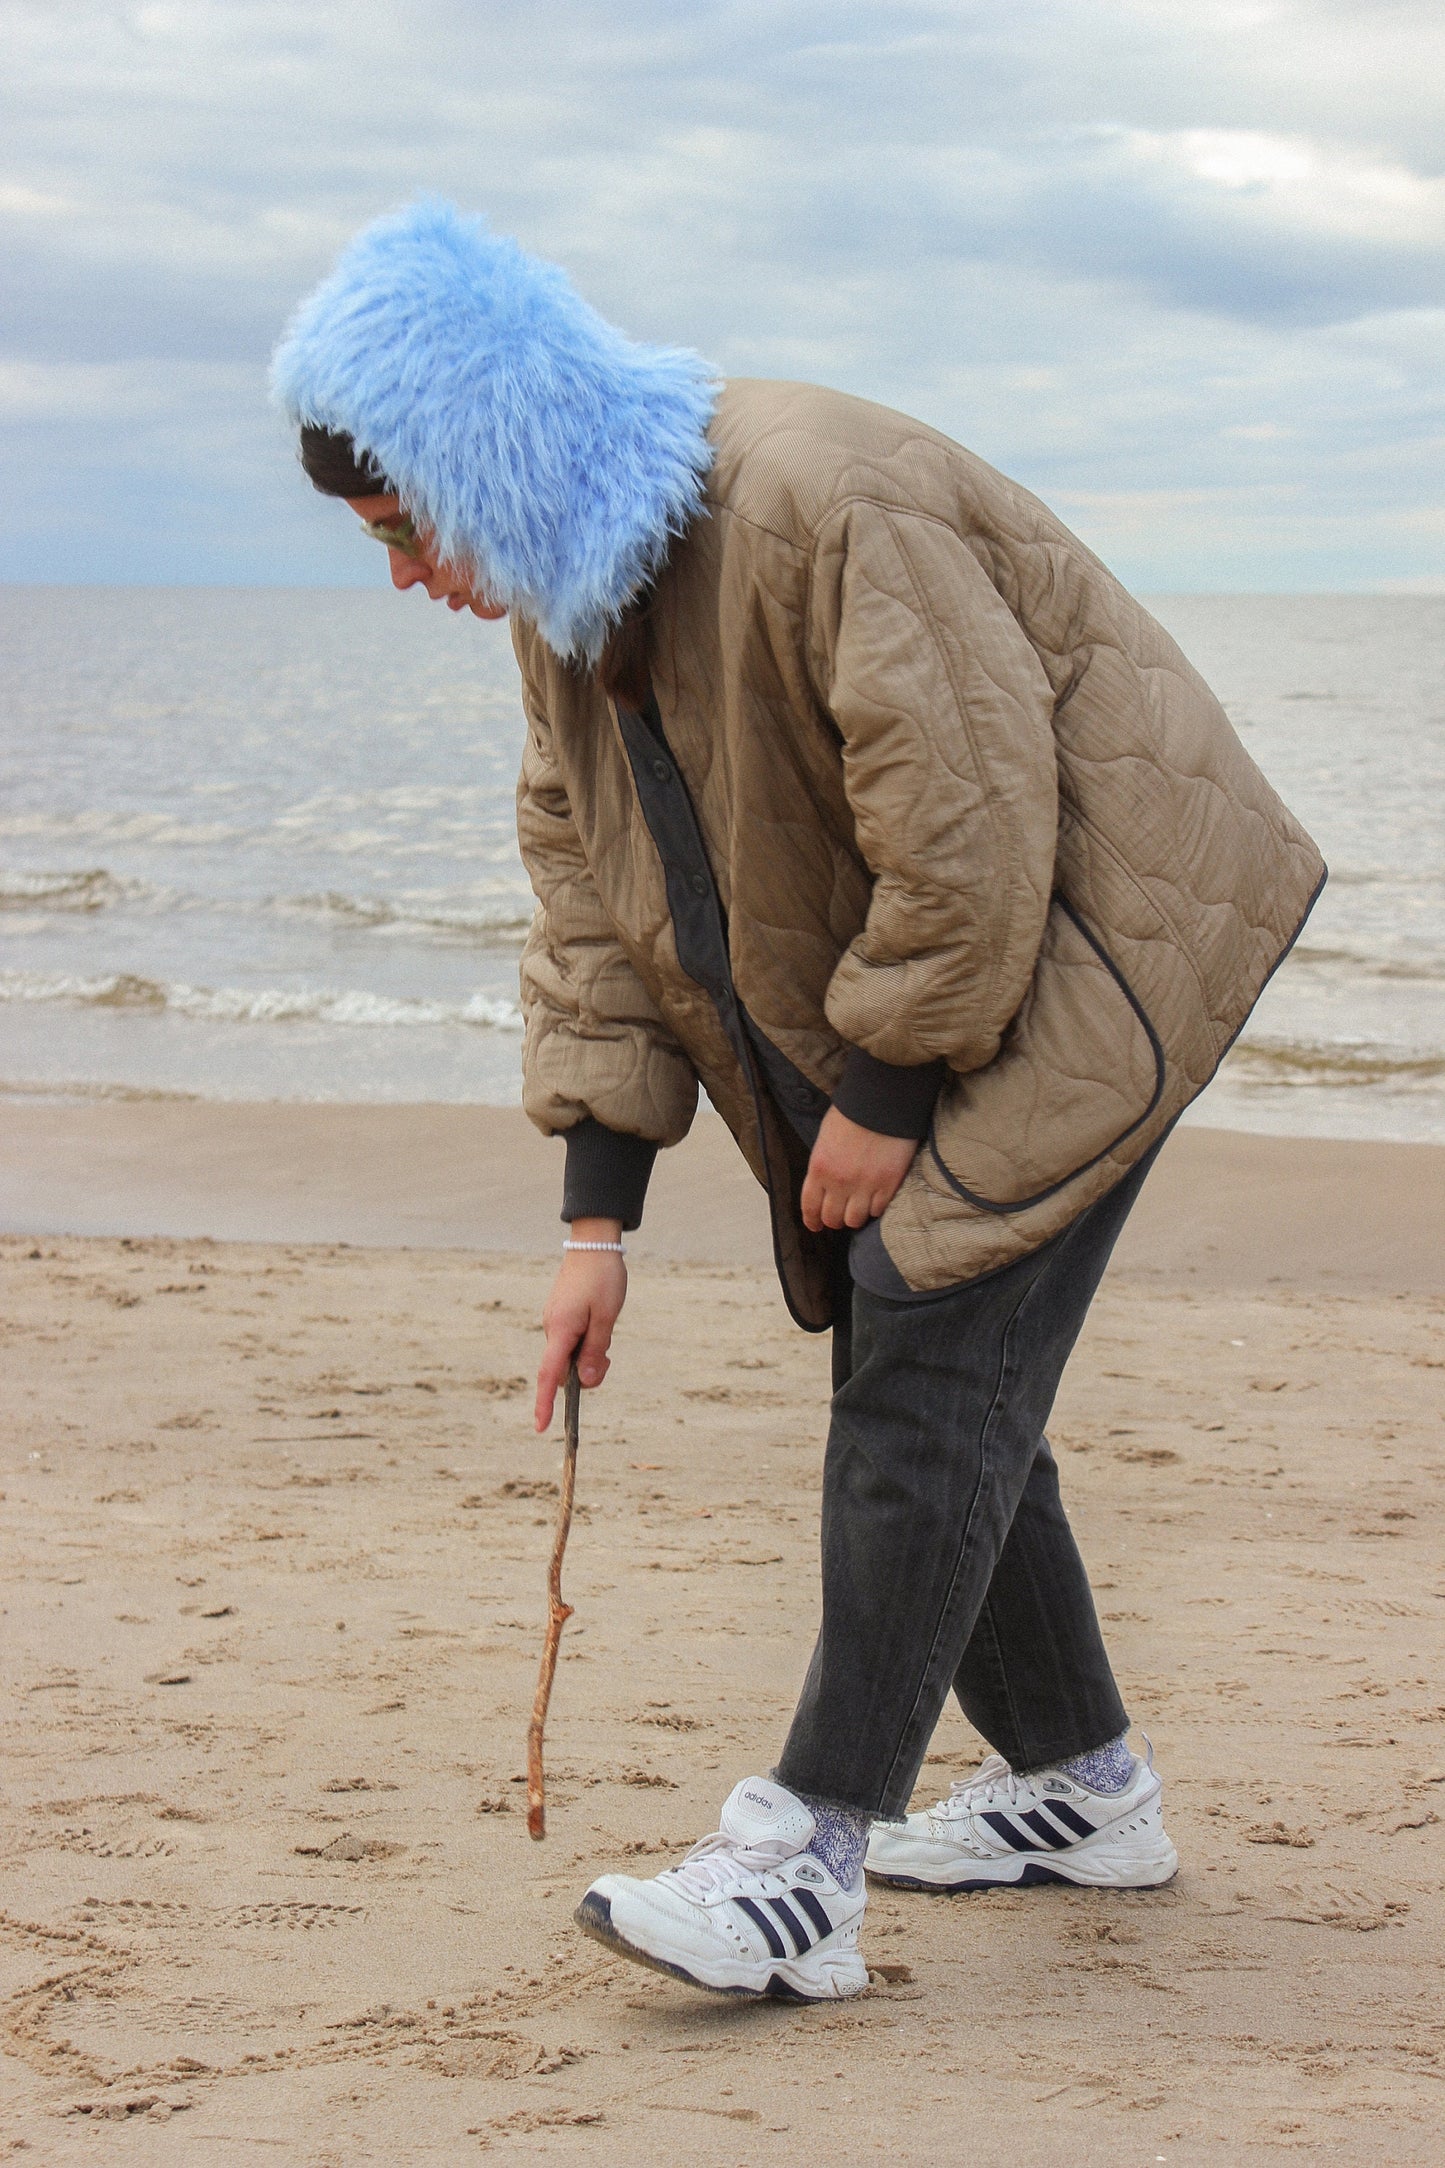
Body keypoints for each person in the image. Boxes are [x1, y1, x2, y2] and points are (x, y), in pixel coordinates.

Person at [273, 199, 1325, 2002]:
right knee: (938, 1370)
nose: (403, 576)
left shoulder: (811, 496)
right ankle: (1083, 1790)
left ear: (484, 451)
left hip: (1106, 938)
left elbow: (969, 816)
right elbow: (592, 896)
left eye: (399, 526)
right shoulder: (570, 604)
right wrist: (596, 1222)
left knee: (922, 1352)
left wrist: (889, 1084)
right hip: (977, 961)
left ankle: (805, 1863)